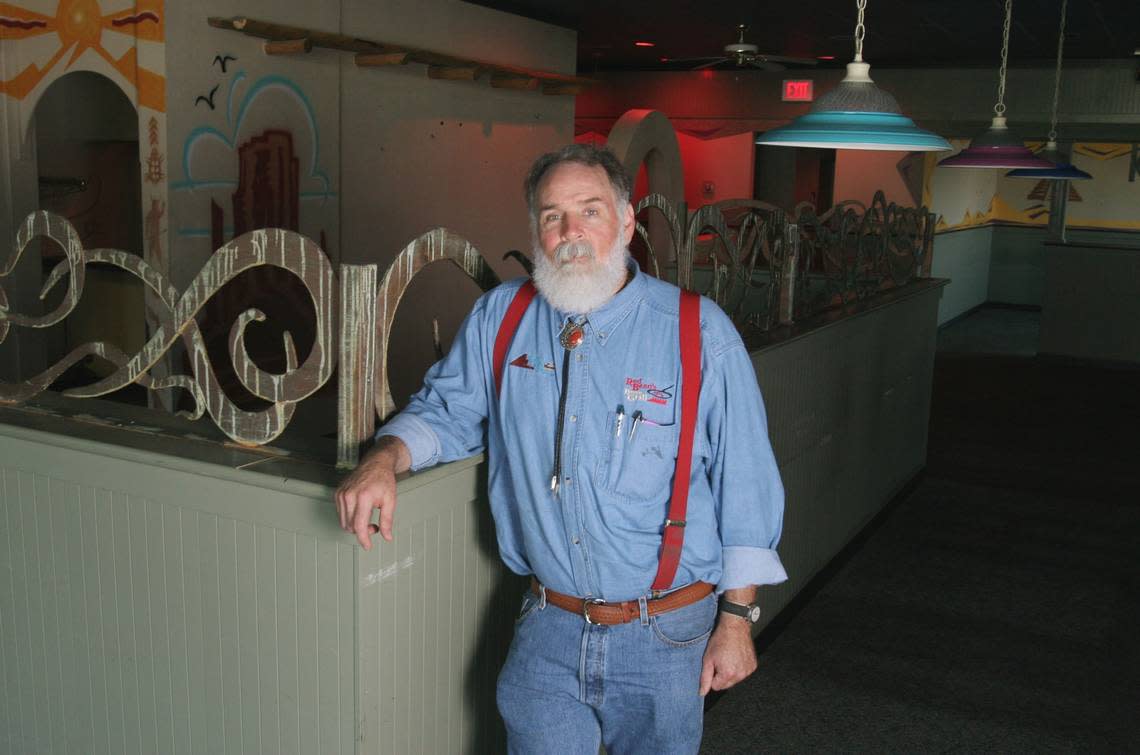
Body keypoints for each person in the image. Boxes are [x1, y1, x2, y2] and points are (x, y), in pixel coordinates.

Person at [336, 144, 786, 754]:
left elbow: (746, 484)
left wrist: (737, 621)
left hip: (667, 634)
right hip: (549, 625)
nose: (570, 231)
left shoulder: (697, 331)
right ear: (536, 231)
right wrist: (383, 458)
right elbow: (448, 412)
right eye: (552, 216)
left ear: (627, 223)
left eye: (590, 211)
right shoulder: (501, 315)